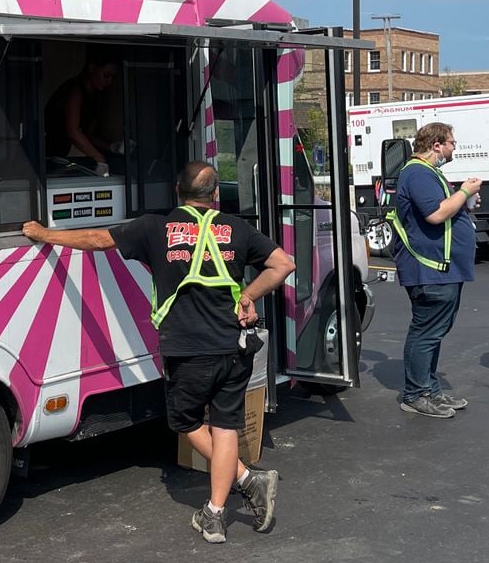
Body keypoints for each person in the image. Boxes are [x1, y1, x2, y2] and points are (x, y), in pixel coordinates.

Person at [23, 160, 295, 543]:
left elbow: (97, 240)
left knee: (186, 423)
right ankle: (217, 513)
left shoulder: (154, 227)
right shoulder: (237, 229)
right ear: (216, 195)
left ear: (178, 193)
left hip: (187, 349)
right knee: (225, 426)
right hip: (232, 347)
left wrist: (43, 233)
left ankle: (248, 481)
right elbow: (283, 264)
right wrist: (248, 295)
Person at [388, 122, 485, 419]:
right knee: (426, 332)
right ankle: (416, 395)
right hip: (430, 269)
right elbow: (435, 214)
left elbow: (444, 209)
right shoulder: (417, 173)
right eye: (452, 142)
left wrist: (465, 203)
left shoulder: (428, 173)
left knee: (434, 332)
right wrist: (465, 191)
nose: (455, 147)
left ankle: (429, 389)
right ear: (436, 145)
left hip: (442, 269)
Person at [44, 51, 123, 168]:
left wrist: (112, 147)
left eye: (113, 78)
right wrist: (98, 158)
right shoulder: (75, 90)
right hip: (40, 151)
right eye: (106, 76)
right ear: (92, 68)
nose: (109, 82)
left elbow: (86, 134)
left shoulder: (95, 97)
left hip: (57, 154)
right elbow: (73, 131)